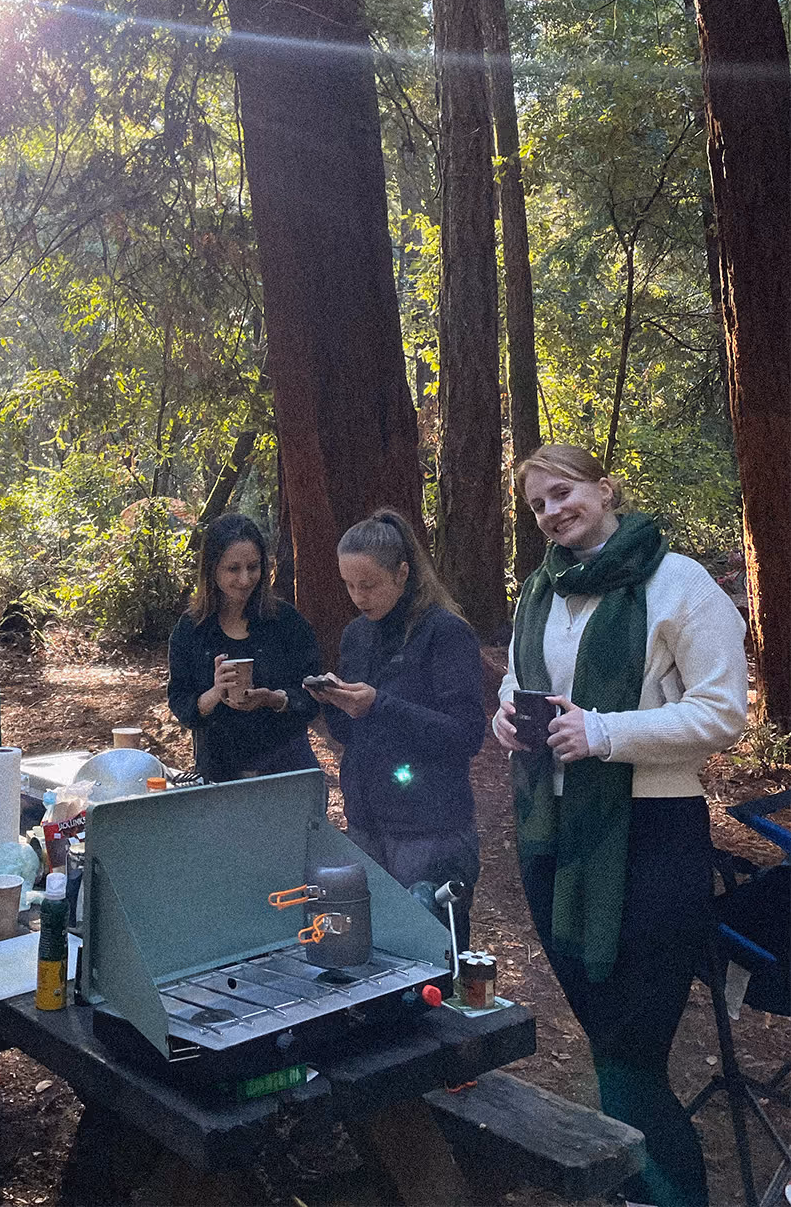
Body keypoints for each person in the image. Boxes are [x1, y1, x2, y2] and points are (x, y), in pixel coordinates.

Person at [493, 444, 747, 1207]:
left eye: (563, 492)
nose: (553, 512)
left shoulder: (678, 583)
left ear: (605, 490)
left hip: (653, 838)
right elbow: (519, 678)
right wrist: (507, 715)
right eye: (538, 505)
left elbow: (724, 711)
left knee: (632, 1046)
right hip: (554, 841)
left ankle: (661, 1193)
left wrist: (605, 734)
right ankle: (638, 1190)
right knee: (611, 1040)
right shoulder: (542, 591)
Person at [307, 508, 484, 950]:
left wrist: (379, 705)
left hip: (431, 830)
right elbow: (353, 736)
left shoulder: (445, 633)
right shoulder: (356, 636)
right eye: (348, 584)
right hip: (366, 823)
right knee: (375, 953)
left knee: (431, 957)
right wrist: (332, 704)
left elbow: (465, 734)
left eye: (368, 584)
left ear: (402, 572)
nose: (358, 597)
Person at [169, 513, 321, 781]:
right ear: (212, 569)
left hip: (287, 770)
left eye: (253, 567)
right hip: (220, 773)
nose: (245, 579)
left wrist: (274, 699)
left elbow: (313, 697)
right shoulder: (192, 629)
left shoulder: (285, 621)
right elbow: (182, 704)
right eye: (233, 569)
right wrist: (214, 694)